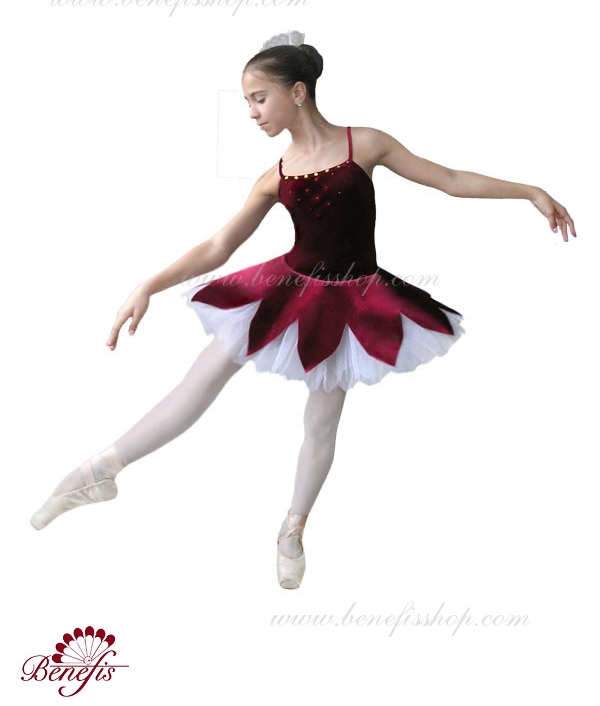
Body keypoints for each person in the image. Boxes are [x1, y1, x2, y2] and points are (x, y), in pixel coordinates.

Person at [30, 29, 576, 589]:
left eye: (258, 98)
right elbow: (219, 246)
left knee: (320, 423)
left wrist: (529, 190)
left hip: (352, 302)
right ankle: (97, 472)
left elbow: (450, 180)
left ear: (297, 92)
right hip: (285, 287)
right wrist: (149, 283)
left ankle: (292, 529)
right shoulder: (276, 175)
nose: (251, 112)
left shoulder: (365, 144)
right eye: (247, 101)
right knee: (200, 380)